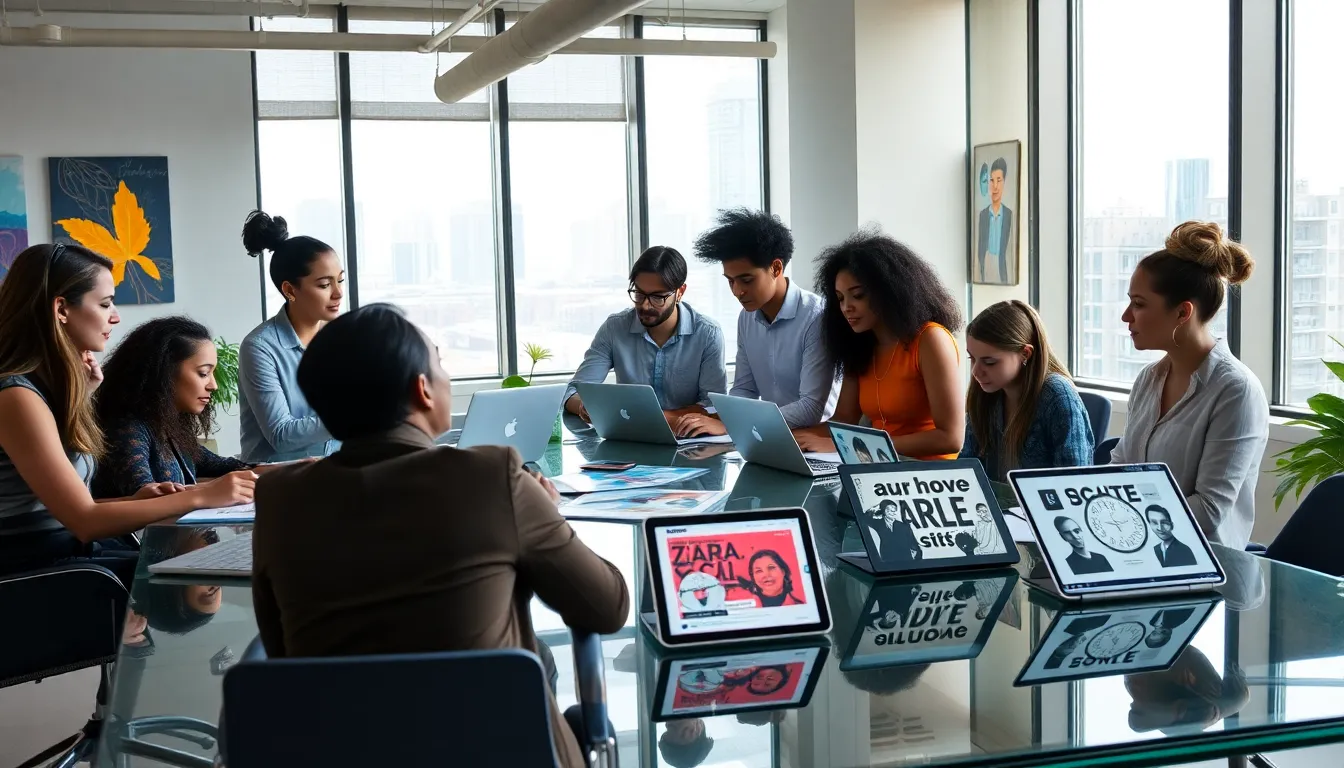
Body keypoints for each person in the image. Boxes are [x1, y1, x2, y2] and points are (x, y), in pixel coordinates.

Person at [250, 304, 629, 768]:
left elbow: (285, 653)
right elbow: (607, 608)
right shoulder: (495, 477)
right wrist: (550, 516)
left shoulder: (279, 497)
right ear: (422, 389)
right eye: (440, 362)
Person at [0, 245, 252, 587]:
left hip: (64, 554)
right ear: (61, 308)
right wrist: (201, 495)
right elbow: (83, 519)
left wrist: (131, 501)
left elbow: (70, 505)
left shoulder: (40, 393)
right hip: (32, 569)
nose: (115, 316)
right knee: (183, 582)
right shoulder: (16, 396)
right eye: (105, 304)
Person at [1111, 221, 1268, 549]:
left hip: (1207, 567)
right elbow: (1120, 470)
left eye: (1139, 304)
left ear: (1183, 312)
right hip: (1137, 550)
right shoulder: (1148, 379)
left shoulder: (1235, 390)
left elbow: (1209, 511)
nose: (1127, 316)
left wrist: (1123, 517)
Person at [796, 231, 965, 460]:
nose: (847, 307)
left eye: (857, 295)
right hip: (877, 464)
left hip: (927, 477)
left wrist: (856, 447)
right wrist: (789, 438)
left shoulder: (930, 340)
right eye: (840, 298)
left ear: (890, 291)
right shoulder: (860, 344)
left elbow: (951, 438)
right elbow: (844, 420)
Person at [675, 209, 838, 437]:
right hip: (766, 437)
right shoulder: (747, 317)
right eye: (730, 281)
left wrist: (733, 426)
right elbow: (745, 389)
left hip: (816, 442)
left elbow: (810, 407)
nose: (737, 291)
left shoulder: (816, 317)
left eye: (746, 280)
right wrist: (728, 420)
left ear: (776, 268)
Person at [93, 316, 267, 499]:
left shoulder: (168, 425)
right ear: (164, 372)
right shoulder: (127, 426)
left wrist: (290, 469)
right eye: (204, 373)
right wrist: (210, 491)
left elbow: (225, 465)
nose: (213, 385)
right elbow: (147, 496)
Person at [564, 246, 727, 428]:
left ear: (680, 292)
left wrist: (653, 418)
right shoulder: (615, 328)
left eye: (658, 297)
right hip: (629, 438)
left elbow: (713, 406)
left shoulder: (707, 334)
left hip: (688, 441)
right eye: (639, 294)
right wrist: (584, 406)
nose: (645, 305)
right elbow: (572, 391)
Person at [238, 210, 343, 463]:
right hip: (277, 483)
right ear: (289, 290)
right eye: (324, 285)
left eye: (340, 281)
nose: (338, 293)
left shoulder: (340, 340)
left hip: (335, 473)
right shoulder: (259, 348)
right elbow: (281, 435)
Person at [961, 300, 1093, 481]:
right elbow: (968, 467)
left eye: (990, 362)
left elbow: (1075, 482)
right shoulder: (984, 394)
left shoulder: (1057, 396)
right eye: (972, 358)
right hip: (995, 507)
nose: (976, 371)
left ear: (1025, 354)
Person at [977, 157, 1015, 284]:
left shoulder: (1009, 215)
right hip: (986, 267)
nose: (995, 186)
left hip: (1002, 268)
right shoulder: (983, 215)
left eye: (999, 180)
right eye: (992, 181)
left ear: (1004, 182)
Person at [866, 499, 923, 565]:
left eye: (894, 509)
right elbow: (865, 518)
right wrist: (875, 507)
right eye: (889, 510)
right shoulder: (878, 524)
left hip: (905, 558)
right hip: (888, 558)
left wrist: (918, 558)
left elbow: (913, 542)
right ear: (883, 511)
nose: (892, 511)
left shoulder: (904, 526)